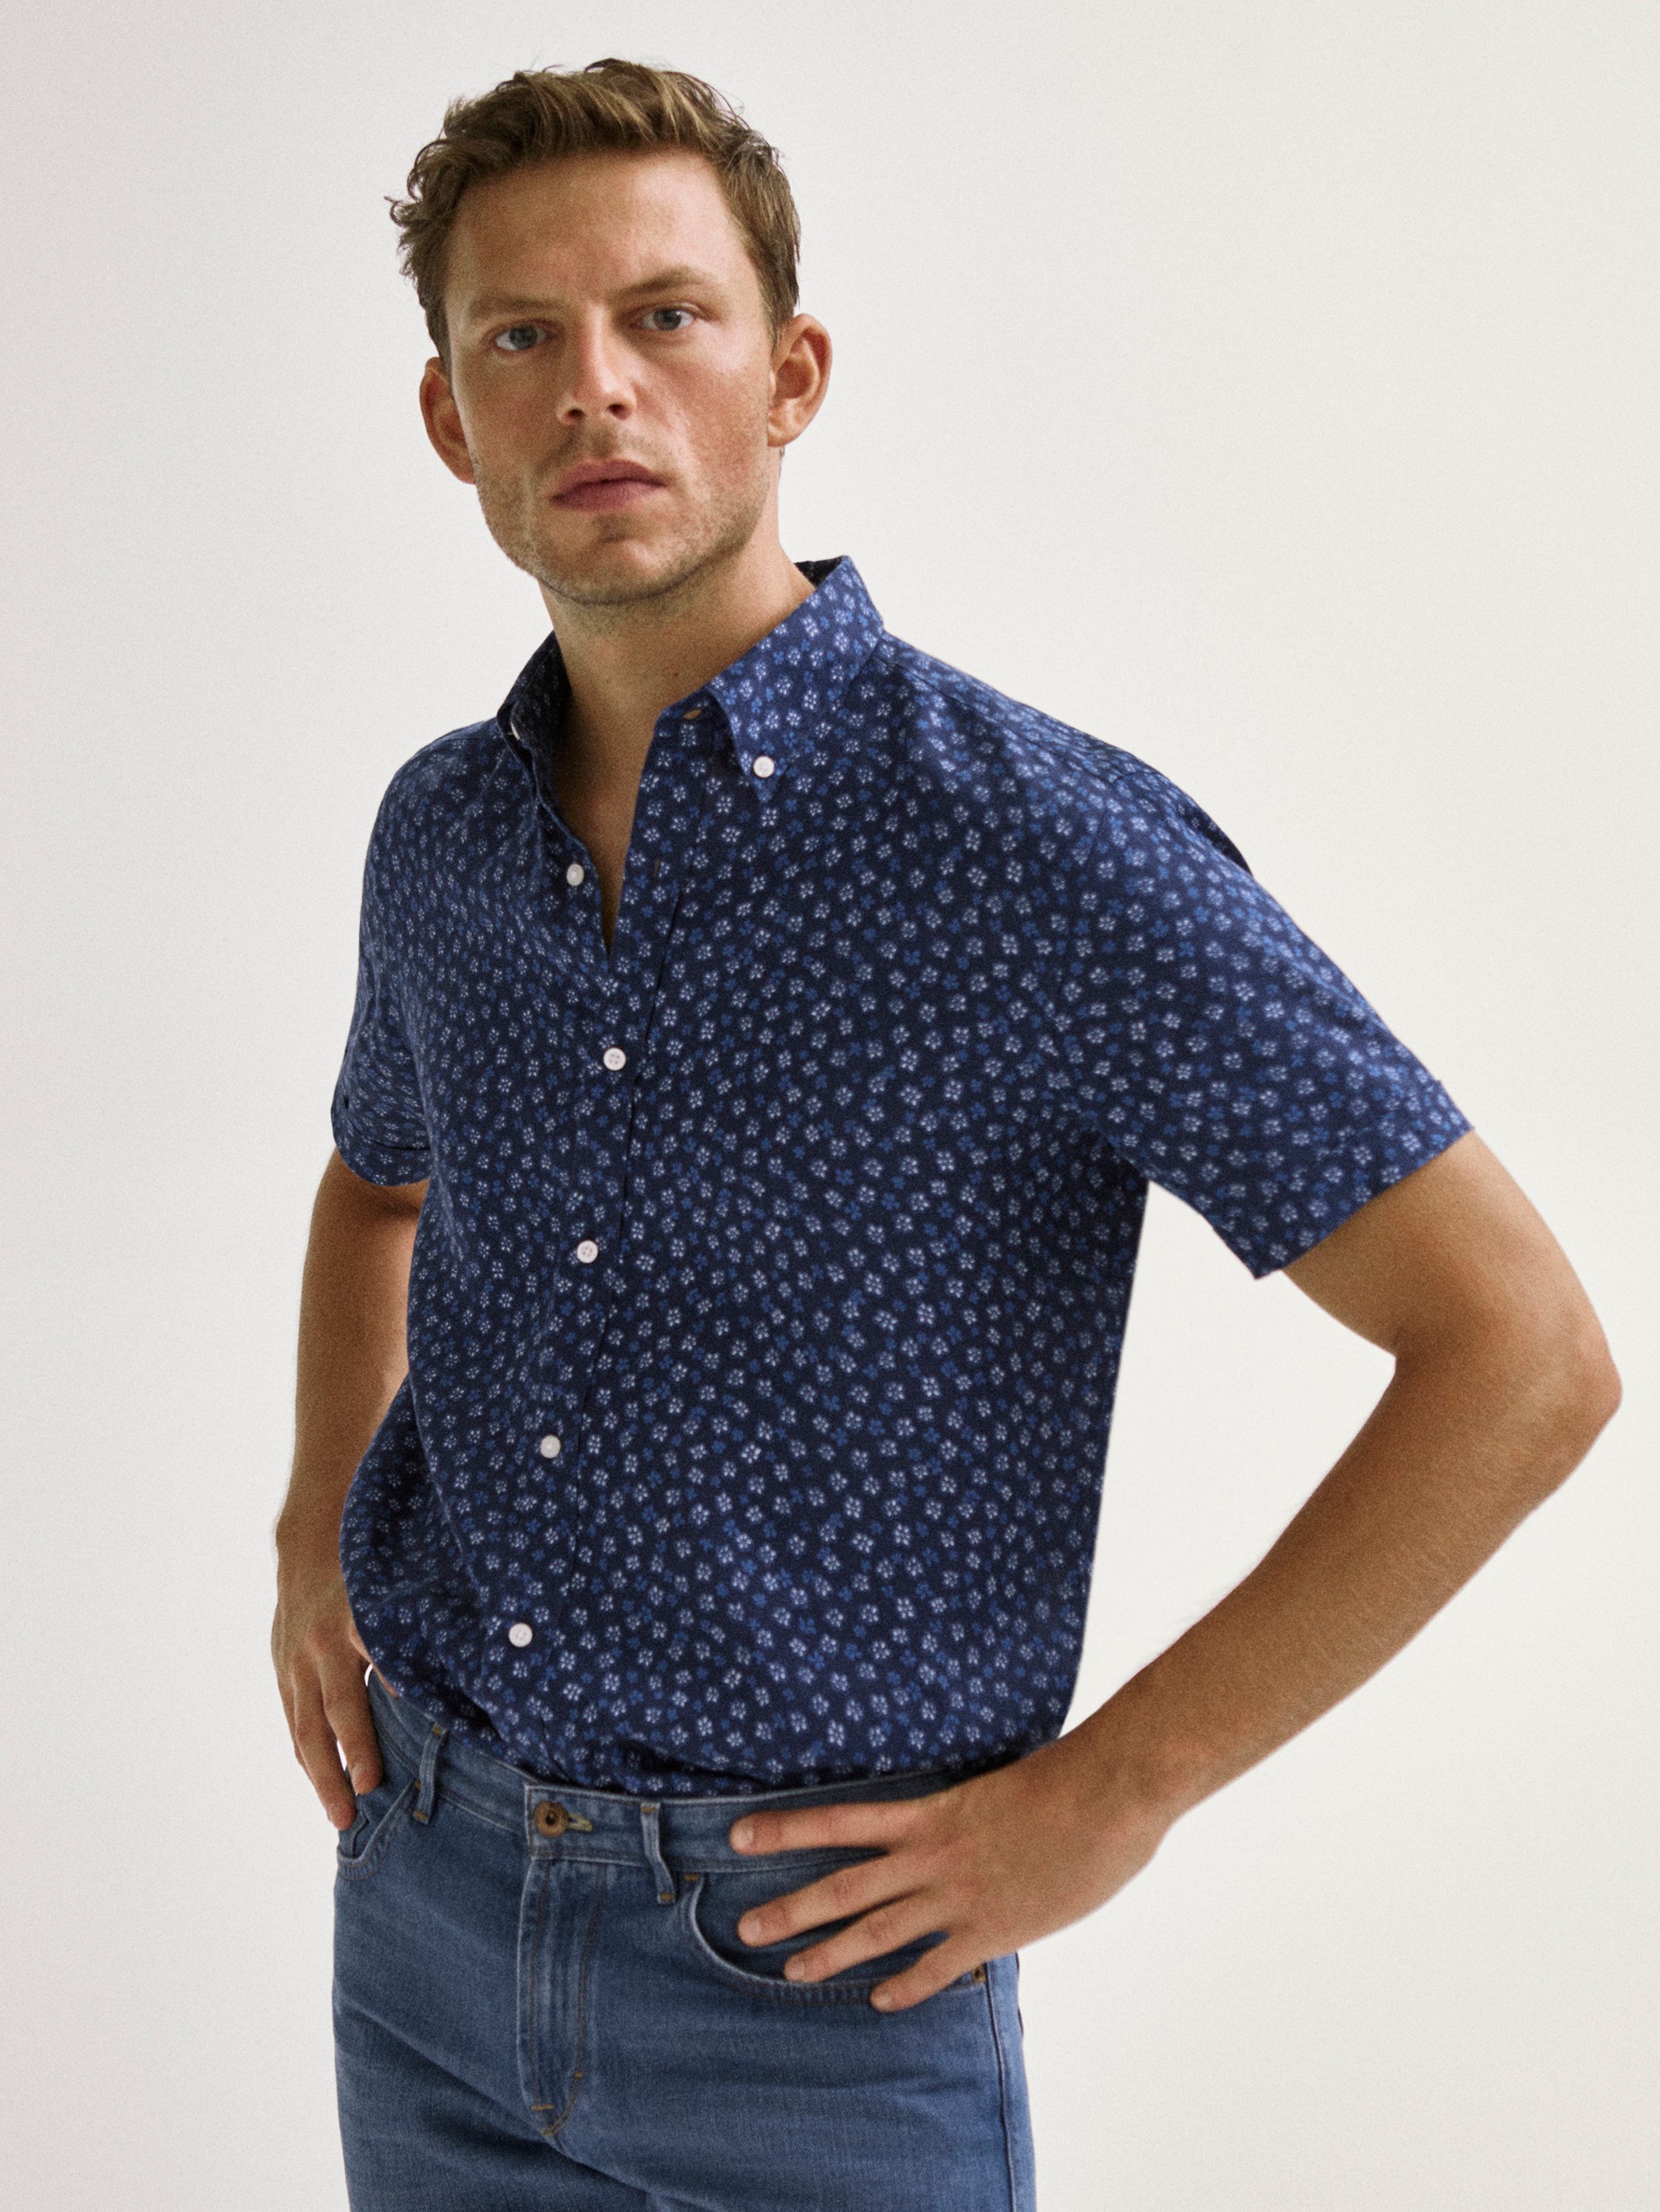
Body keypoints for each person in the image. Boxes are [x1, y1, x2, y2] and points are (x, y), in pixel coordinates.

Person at [268, 56, 1620, 2212]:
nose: (592, 384)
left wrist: (1116, 1794)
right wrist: (309, 1530)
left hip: (821, 1985)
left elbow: (1521, 1355)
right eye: (519, 336)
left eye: (664, 316)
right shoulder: (441, 836)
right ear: (451, 419)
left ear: (788, 374)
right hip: (422, 1908)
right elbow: (378, 1185)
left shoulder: (1030, 855)